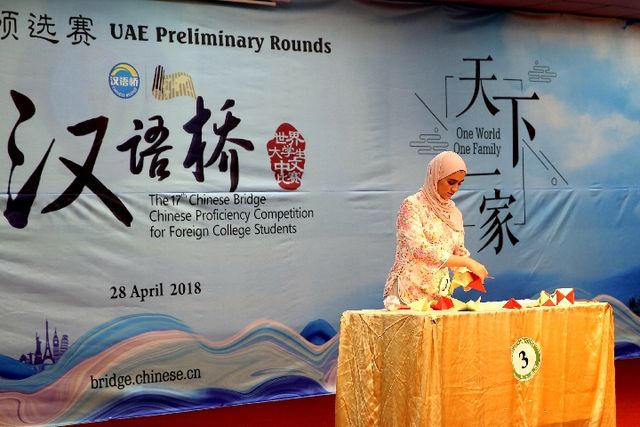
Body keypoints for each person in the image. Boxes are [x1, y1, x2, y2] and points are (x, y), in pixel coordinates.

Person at [383, 151, 489, 309]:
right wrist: (467, 262)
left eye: (459, 184)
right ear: (435, 176)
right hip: (408, 290)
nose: (455, 189)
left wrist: (470, 273)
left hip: (438, 295)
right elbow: (419, 249)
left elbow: (458, 252)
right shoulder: (412, 205)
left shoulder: (454, 213)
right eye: (451, 182)